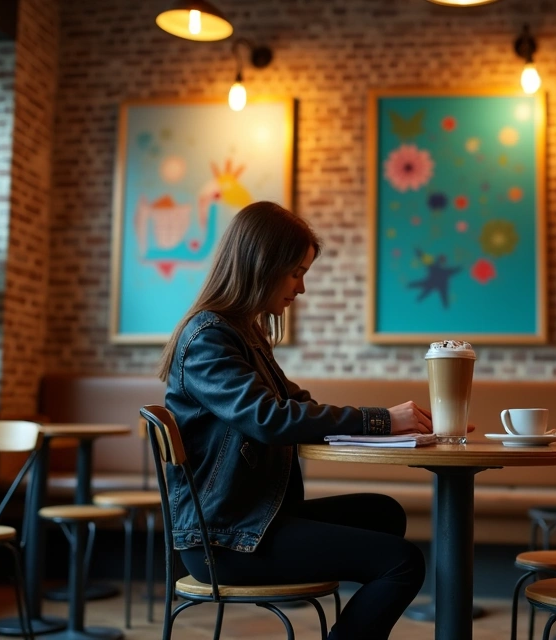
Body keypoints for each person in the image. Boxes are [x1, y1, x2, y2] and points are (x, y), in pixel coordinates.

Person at [156, 201, 430, 639]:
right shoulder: (209, 338)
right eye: (296, 272)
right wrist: (381, 421)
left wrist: (394, 423)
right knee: (403, 561)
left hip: (249, 518)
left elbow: (296, 403)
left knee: (384, 513)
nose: (301, 289)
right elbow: (270, 418)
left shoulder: (245, 335)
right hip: (224, 539)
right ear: (261, 266)